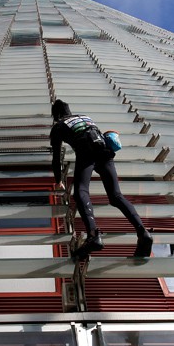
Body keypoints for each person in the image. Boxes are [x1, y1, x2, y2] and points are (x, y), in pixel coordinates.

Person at [50, 99, 153, 259]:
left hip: (85, 151)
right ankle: (143, 232)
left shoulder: (58, 126)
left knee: (81, 192)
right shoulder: (85, 117)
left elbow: (56, 158)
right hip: (104, 149)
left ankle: (93, 235)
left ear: (55, 115)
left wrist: (59, 181)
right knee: (116, 196)